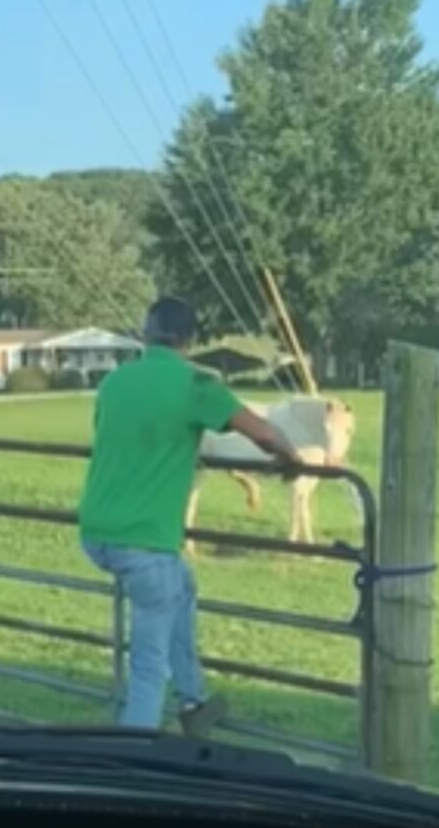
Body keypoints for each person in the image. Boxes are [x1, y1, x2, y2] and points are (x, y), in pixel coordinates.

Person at [79, 296, 301, 736]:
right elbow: (263, 432)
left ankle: (194, 698)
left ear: (146, 334)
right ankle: (133, 760)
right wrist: (292, 459)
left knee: (183, 585)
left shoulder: (115, 383)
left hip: (97, 530)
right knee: (148, 665)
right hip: (146, 541)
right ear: (189, 340)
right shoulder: (196, 385)